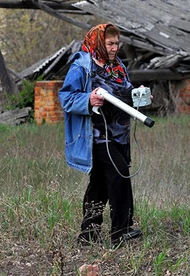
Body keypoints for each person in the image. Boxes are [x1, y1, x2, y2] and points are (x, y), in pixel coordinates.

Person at [59, 23, 143, 248]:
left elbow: (125, 93)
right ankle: (121, 231)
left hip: (120, 134)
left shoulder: (117, 67)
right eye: (110, 44)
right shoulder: (82, 66)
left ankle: (88, 235)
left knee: (99, 184)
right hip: (95, 135)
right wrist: (87, 99)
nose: (115, 48)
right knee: (119, 174)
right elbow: (66, 98)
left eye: (117, 43)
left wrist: (139, 98)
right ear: (98, 42)